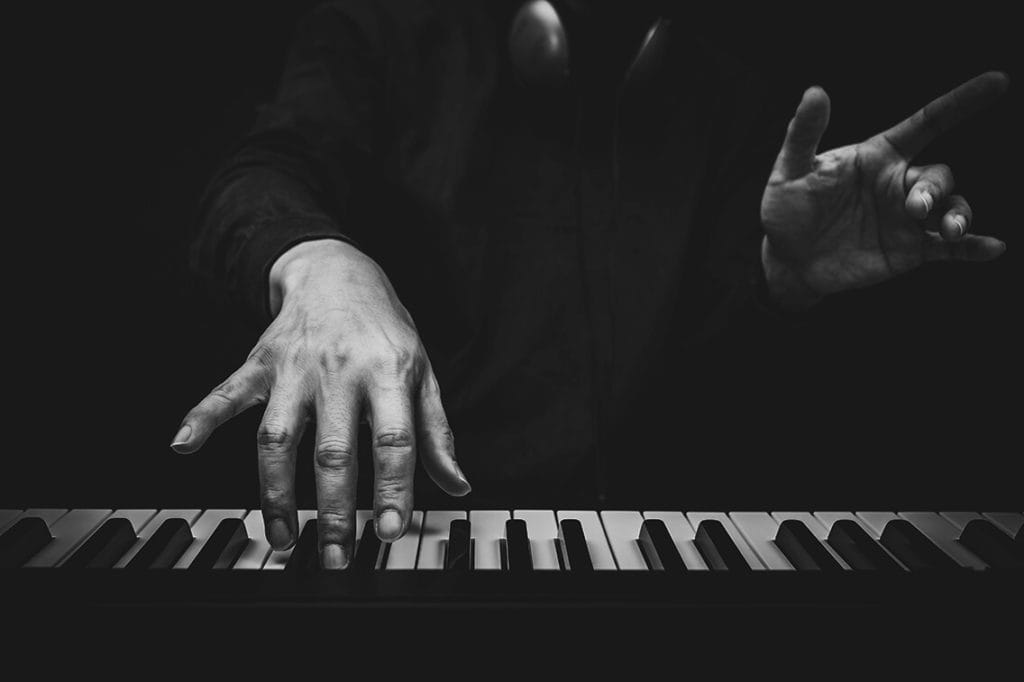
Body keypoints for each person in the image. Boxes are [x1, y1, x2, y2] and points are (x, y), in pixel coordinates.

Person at [170, 0, 1009, 568]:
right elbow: (261, 171)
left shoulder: (730, 91)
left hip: (647, 546)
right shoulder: (384, 30)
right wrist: (318, 262)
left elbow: (730, 384)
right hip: (396, 542)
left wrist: (782, 280)